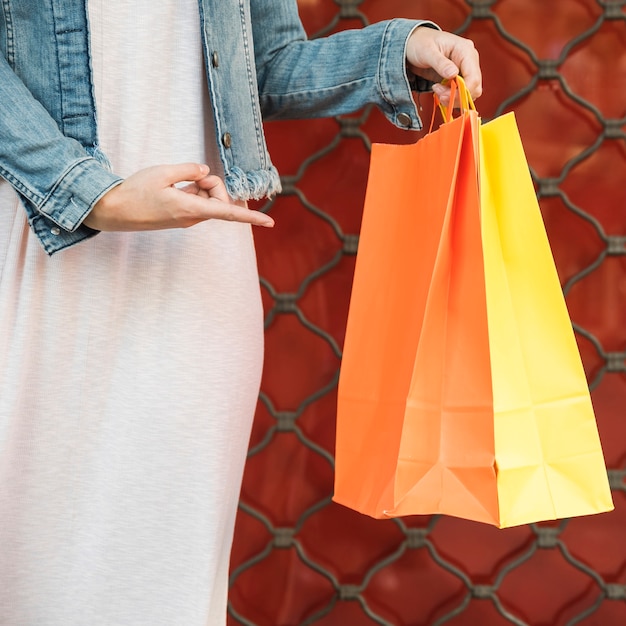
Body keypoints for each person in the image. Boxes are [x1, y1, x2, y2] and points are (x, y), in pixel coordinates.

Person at [0, 1, 481, 624]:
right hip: (40, 256)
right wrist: (96, 194)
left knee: (161, 595)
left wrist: (397, 51)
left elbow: (267, 66)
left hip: (195, 282)